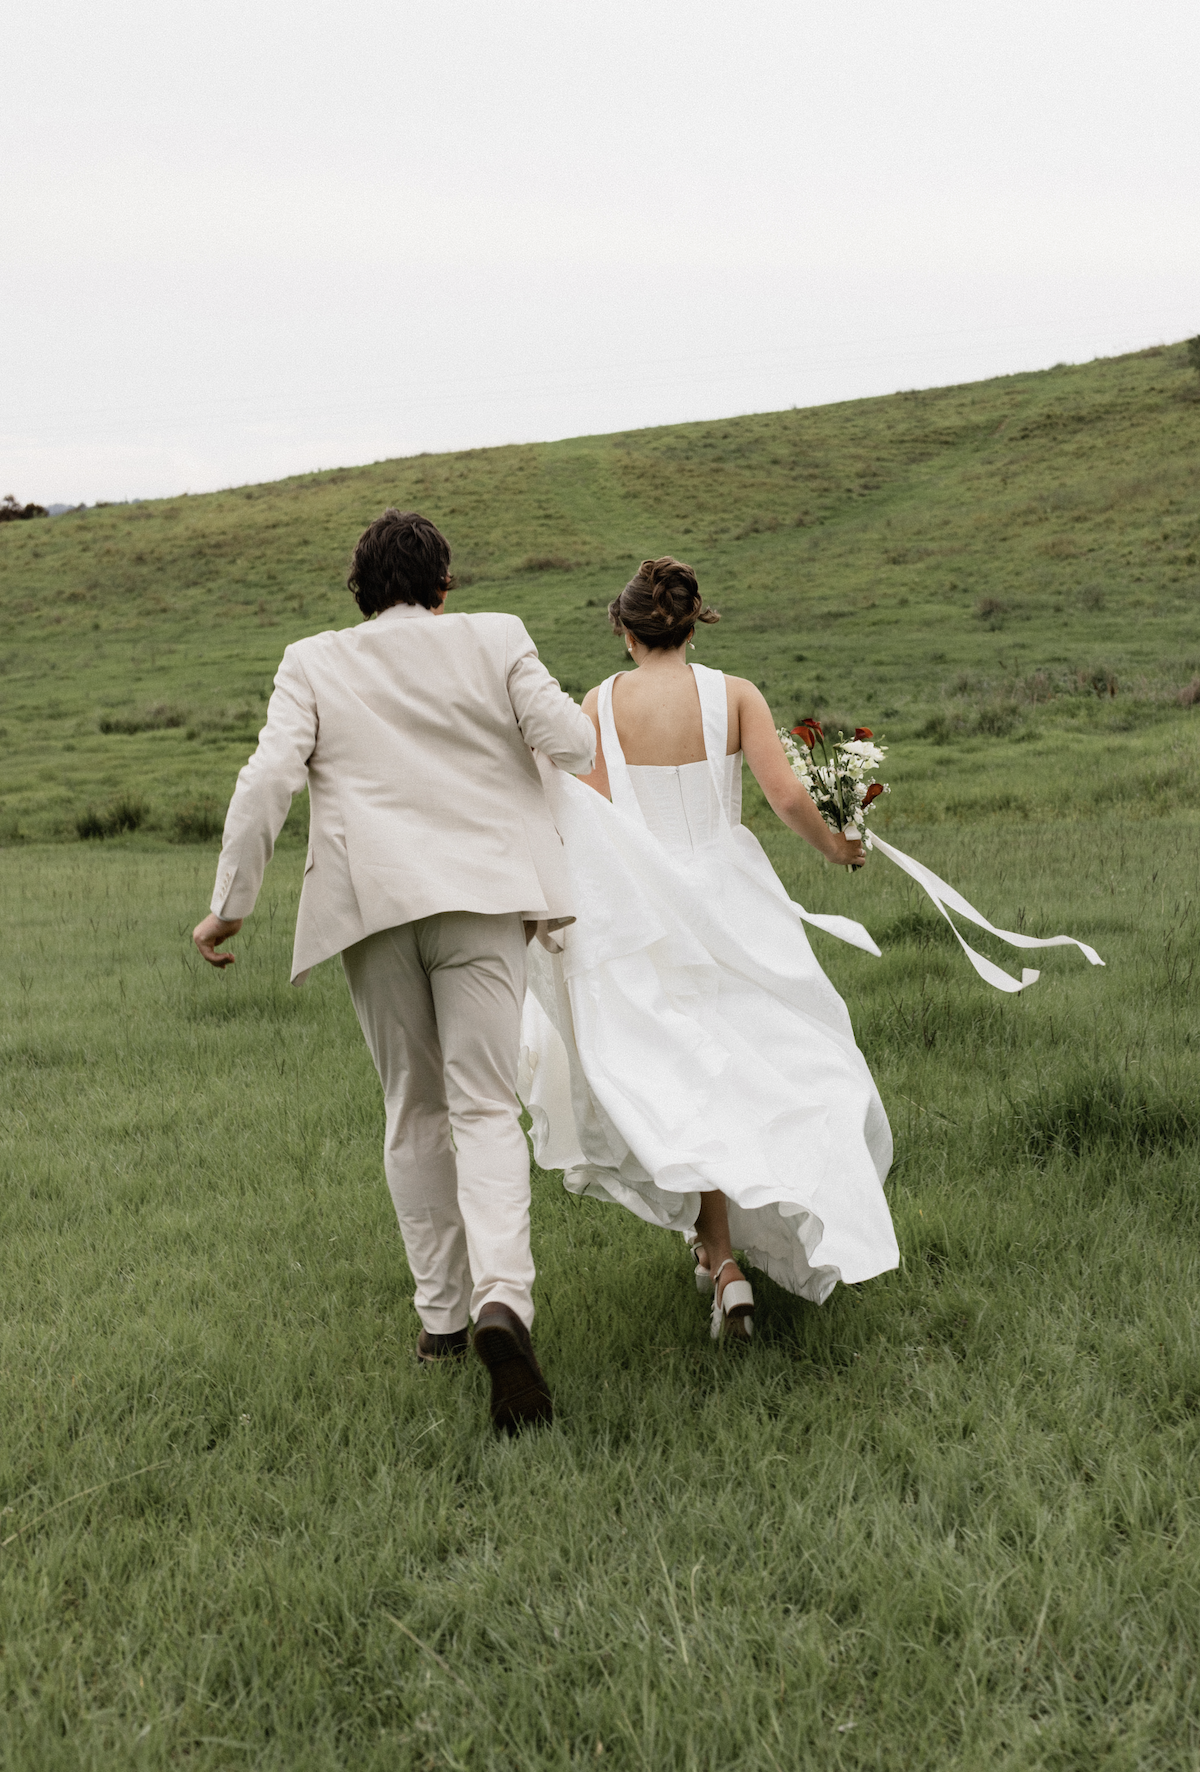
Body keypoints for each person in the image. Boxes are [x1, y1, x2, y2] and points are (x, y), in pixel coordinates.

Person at [191, 509, 596, 1433]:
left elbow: (266, 781)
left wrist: (231, 904)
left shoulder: (312, 660)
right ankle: (505, 1302)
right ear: (445, 585)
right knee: (487, 1107)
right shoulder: (496, 637)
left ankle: (443, 1324)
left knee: (413, 1108)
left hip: (372, 910)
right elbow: (572, 743)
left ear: (359, 592)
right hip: (486, 896)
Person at [519, 557, 898, 1341]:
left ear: (625, 633)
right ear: (693, 625)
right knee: (776, 1054)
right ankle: (747, 1242)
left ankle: (723, 1262)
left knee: (690, 1074)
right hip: (733, 901)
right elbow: (787, 794)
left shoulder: (599, 704)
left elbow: (591, 825)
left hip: (646, 911)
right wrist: (838, 846)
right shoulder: (735, 695)